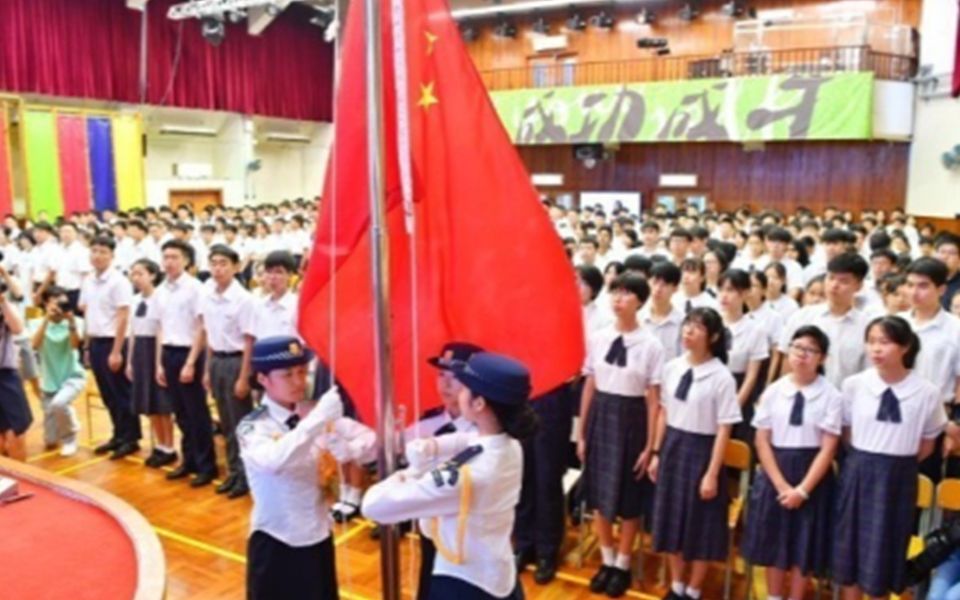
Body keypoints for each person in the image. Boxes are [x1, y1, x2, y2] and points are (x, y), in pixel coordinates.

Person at [362, 351, 538, 600]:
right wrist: (434, 446)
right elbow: (470, 440)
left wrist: (410, 473)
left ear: (478, 403)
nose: (458, 392)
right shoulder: (510, 445)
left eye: (464, 388)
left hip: (463, 584)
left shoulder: (466, 478)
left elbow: (374, 506)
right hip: (499, 575)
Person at [833, 316, 947, 599]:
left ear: (905, 346)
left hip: (898, 475)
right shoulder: (854, 385)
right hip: (858, 469)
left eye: (884, 342)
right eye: (871, 342)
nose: (876, 349)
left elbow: (928, 443)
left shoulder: (926, 392)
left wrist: (894, 463)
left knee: (886, 550)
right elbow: (846, 433)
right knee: (851, 549)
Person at [239, 336, 351, 600]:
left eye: (302, 372)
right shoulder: (254, 426)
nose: (299, 381)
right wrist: (318, 419)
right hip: (279, 541)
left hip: (317, 535)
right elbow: (275, 460)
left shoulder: (307, 417)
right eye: (287, 374)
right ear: (264, 379)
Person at [578, 273, 664, 598]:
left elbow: (654, 399)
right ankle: (607, 558)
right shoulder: (599, 337)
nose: (618, 299)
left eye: (627, 294)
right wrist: (583, 433)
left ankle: (623, 564)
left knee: (629, 497)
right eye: (615, 292)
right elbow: (589, 384)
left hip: (633, 419)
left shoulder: (651, 344)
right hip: (602, 414)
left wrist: (650, 446)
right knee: (600, 495)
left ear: (640, 301)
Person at [740, 326, 841, 600]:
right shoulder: (774, 390)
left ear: (822, 358)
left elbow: (828, 448)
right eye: (797, 348)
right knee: (774, 541)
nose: (801, 355)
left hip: (812, 476)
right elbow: (761, 440)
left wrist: (802, 490)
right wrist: (782, 484)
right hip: (776, 471)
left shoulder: (831, 395)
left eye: (810, 351)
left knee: (802, 545)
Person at [648, 307, 741, 600]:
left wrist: (712, 473)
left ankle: (694, 589)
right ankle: (676, 585)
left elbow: (724, 428)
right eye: (687, 325)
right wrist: (656, 452)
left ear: (713, 337)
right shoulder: (673, 366)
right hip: (673, 447)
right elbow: (664, 412)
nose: (688, 331)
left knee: (700, 525)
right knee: (672, 518)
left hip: (703, 451)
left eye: (697, 327)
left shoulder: (722, 377)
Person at [155, 239, 218, 487]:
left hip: (190, 353)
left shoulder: (195, 289)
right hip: (169, 353)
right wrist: (160, 363)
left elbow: (202, 327)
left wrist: (191, 362)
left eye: (174, 257)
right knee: (179, 412)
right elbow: (160, 326)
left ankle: (206, 465)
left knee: (197, 413)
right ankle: (188, 460)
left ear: (186, 261)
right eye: (166, 257)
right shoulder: (161, 290)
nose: (169, 262)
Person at [199, 244, 256, 499]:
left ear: (235, 267)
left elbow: (248, 341)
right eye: (214, 263)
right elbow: (210, 334)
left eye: (223, 263)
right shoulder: (208, 294)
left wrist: (244, 377)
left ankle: (246, 476)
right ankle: (234, 472)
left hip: (236, 363)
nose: (218, 268)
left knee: (240, 424)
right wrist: (207, 370)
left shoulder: (244, 299)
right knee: (225, 422)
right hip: (217, 361)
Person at [80, 236, 139, 458]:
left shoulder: (118, 282)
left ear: (112, 256)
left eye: (102, 251)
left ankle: (131, 438)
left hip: (114, 342)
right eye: (94, 250)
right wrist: (86, 346)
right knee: (107, 394)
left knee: (122, 392)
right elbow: (88, 314)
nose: (97, 255)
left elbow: (123, 317)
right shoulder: (88, 280)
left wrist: (116, 351)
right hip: (96, 342)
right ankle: (118, 435)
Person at [776, 253, 871, 388]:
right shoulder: (802, 317)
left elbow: (868, 373)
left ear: (859, 285)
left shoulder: (866, 326)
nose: (834, 285)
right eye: (831, 278)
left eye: (843, 281)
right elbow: (787, 360)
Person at [126, 258, 176, 468]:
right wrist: (129, 362)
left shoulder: (161, 298)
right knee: (149, 403)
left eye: (141, 273)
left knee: (162, 403)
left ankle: (169, 446)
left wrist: (159, 364)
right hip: (139, 352)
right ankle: (159, 444)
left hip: (155, 350)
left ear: (153, 275)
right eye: (133, 273)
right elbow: (133, 333)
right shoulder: (135, 300)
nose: (136, 278)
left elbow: (160, 331)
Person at [30, 286, 86, 457]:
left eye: (63, 303)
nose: (59, 307)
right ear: (46, 303)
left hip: (73, 376)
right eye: (55, 302)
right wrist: (46, 319)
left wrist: (70, 322)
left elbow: (75, 345)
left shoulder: (76, 321)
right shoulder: (34, 320)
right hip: (49, 380)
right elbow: (34, 344)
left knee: (59, 403)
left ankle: (70, 439)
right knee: (50, 441)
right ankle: (70, 417)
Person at [717, 269, 769, 441]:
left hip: (738, 390)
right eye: (721, 289)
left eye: (731, 290)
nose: (724, 296)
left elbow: (751, 376)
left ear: (745, 293)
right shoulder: (713, 322)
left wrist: (734, 406)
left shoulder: (756, 329)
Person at [0, 283, 30, 461]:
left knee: (16, 433)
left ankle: (21, 482)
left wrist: (3, 302)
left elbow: (18, 328)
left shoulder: (5, 307)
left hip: (6, 376)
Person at [640, 262, 684, 361]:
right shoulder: (637, 316)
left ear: (675, 288)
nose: (658, 289)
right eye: (654, 282)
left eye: (664, 285)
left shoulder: (682, 321)